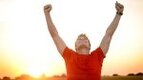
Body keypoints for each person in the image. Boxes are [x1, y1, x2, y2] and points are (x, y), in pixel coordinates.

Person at [44, 1, 124, 80]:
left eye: (85, 39)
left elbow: (108, 34)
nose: (82, 39)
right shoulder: (69, 56)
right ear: (75, 46)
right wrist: (47, 14)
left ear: (89, 46)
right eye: (79, 39)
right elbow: (55, 35)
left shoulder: (97, 56)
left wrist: (119, 14)